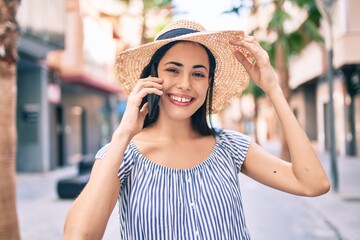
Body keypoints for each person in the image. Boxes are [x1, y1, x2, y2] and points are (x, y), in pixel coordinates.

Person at [63, 19, 330, 239]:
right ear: (152, 75)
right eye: (173, 70)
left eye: (198, 73)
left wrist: (272, 88)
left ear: (208, 83)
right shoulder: (120, 155)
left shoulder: (230, 147)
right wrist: (122, 135)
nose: (185, 84)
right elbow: (79, 237)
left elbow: (313, 184)